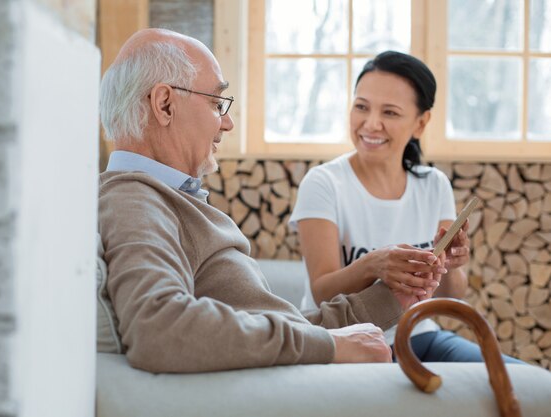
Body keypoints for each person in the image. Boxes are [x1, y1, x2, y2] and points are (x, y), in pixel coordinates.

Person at [97, 29, 444, 373]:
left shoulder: (163, 198)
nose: (228, 123)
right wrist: (330, 346)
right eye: (217, 104)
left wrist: (391, 298)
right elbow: (159, 330)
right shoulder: (134, 198)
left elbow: (281, 325)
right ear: (165, 104)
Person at [290, 51, 521, 363]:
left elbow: (452, 294)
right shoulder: (323, 183)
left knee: (512, 376)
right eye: (361, 107)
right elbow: (322, 292)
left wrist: (450, 265)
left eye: (390, 113)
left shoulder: (434, 184)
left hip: (419, 334)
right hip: (345, 339)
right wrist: (373, 264)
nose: (371, 124)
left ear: (420, 123)